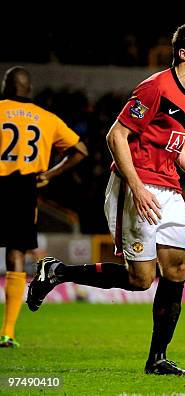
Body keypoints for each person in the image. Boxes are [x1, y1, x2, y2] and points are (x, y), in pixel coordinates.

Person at [26, 20, 185, 375]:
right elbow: (116, 135)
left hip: (169, 189)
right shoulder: (154, 88)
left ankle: (158, 359)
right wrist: (138, 187)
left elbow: (180, 146)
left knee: (177, 269)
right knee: (140, 279)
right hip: (135, 186)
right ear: (184, 54)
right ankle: (57, 272)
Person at [0, 67, 88, 348]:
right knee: (15, 255)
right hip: (24, 189)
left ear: (6, 86)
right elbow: (81, 150)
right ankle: (8, 332)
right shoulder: (46, 118)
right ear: (29, 89)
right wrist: (49, 174)